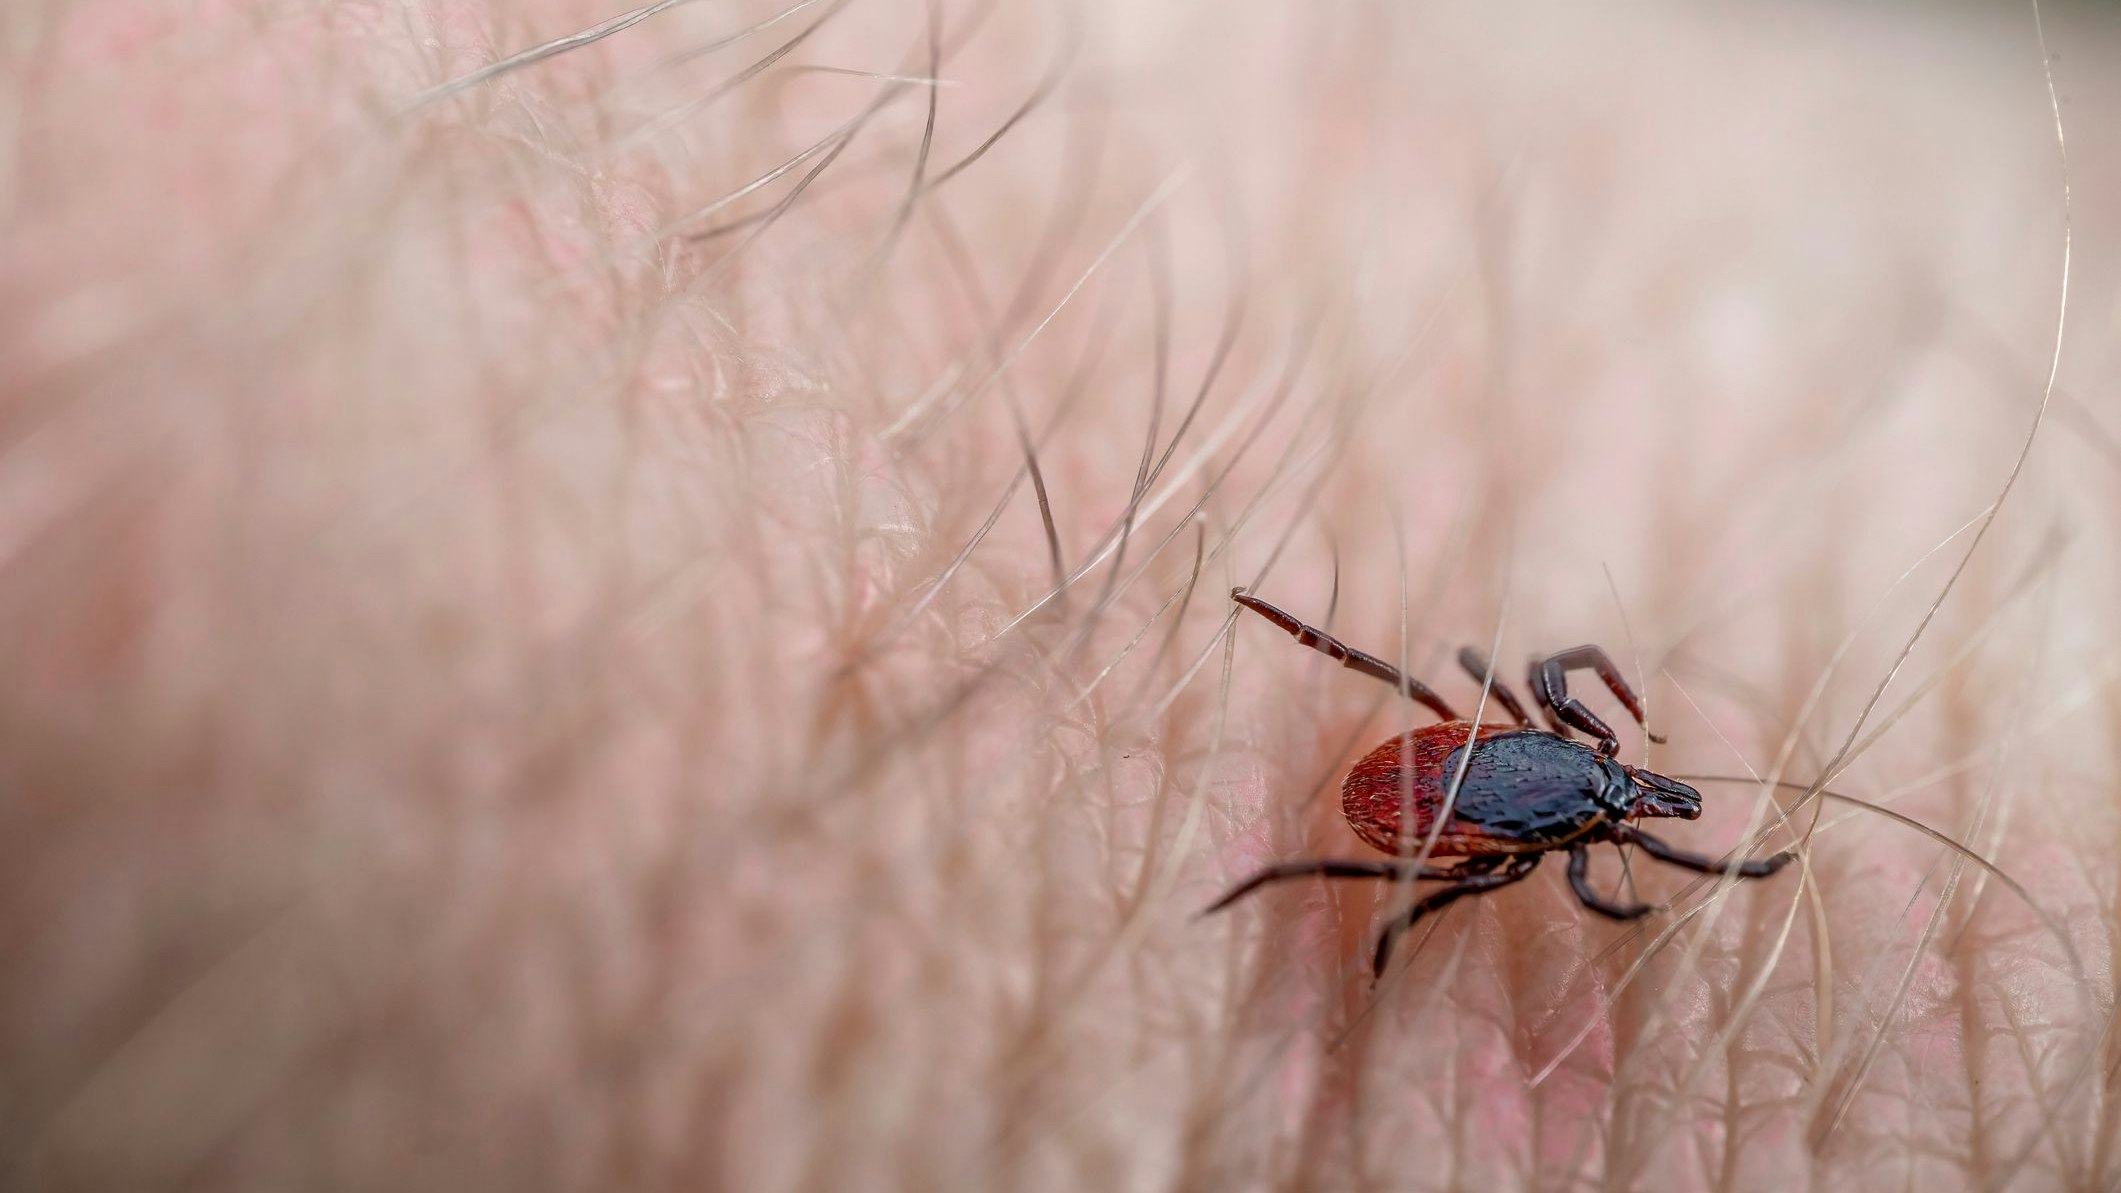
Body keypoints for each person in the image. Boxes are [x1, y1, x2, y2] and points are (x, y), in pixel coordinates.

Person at [7, 0, 2114, 1187]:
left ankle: (1303, 867)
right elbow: (1562, 842)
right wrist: (1544, 834)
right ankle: (1300, 871)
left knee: (1388, 754)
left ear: (1560, 774)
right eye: (1604, 773)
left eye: (1603, 785)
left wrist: (1533, 811)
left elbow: (1510, 759)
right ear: (1569, 757)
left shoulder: (1517, 778)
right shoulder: (1536, 808)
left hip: (1411, 785)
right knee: (1378, 798)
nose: (1608, 791)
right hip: (1409, 790)